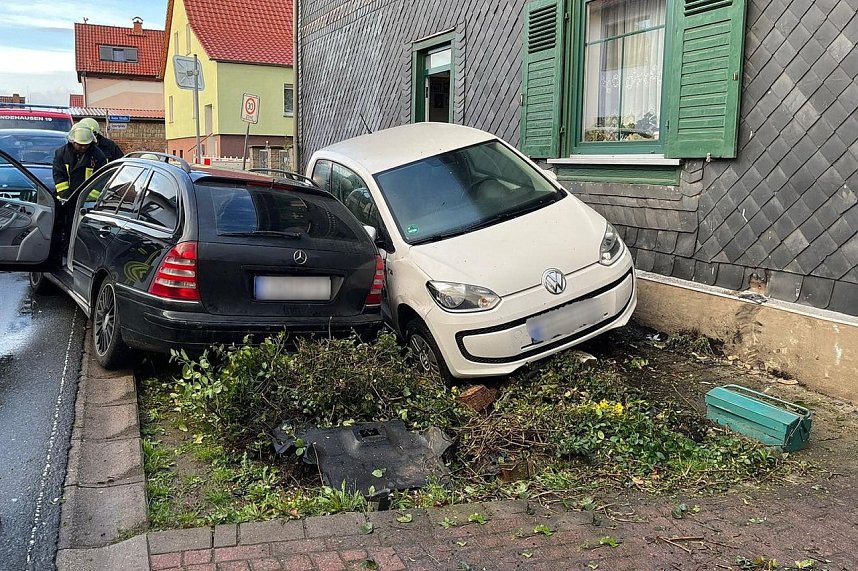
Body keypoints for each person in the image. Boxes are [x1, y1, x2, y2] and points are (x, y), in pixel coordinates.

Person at [52, 123, 107, 199]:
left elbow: (102, 179)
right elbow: (59, 176)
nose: (83, 147)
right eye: (80, 145)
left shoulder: (98, 156)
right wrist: (66, 197)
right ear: (73, 141)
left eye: (86, 144)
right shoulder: (62, 154)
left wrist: (88, 199)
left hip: (88, 201)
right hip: (65, 199)